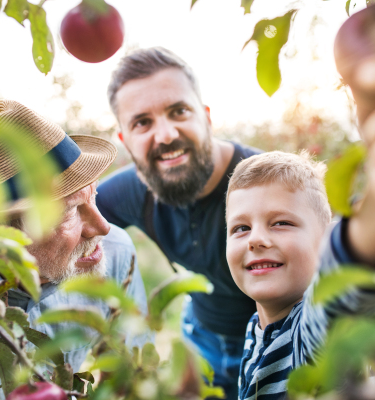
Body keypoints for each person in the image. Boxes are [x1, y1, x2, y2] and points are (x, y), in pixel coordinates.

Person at [224, 55, 375, 398]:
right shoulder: (256, 327)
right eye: (240, 228)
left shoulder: (314, 334)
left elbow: (347, 270)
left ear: (325, 241)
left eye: (281, 223)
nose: (256, 239)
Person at [0, 100, 149, 399]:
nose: (102, 228)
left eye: (93, 193)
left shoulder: (115, 253)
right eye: (70, 212)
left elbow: (133, 383)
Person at [96, 48, 262, 399]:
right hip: (200, 336)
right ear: (125, 140)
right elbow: (60, 222)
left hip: (276, 342)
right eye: (143, 122)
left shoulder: (264, 183)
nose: (166, 134)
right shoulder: (129, 192)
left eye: (178, 111)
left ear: (206, 117)